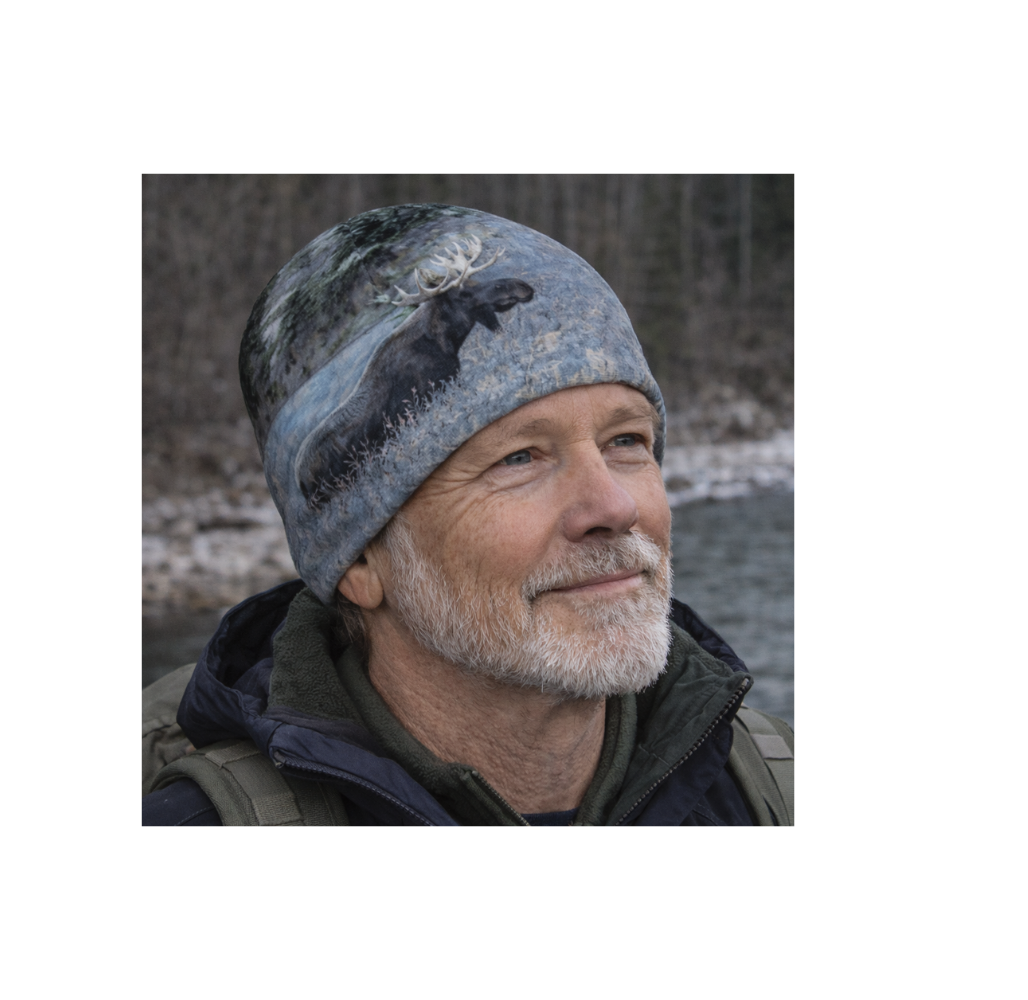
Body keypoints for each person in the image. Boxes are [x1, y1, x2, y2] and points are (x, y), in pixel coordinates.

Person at [141, 204, 795, 827]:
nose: (615, 507)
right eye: (518, 458)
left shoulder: (770, 788)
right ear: (362, 559)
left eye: (626, 441)